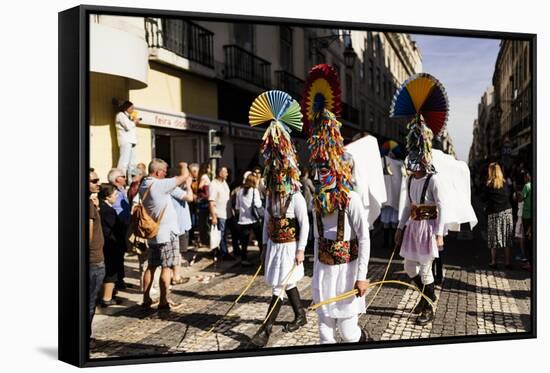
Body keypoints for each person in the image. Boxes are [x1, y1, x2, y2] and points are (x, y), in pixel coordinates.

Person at [301, 65, 371, 344]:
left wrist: (362, 277)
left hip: (347, 272)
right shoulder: (316, 200)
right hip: (324, 274)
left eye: (325, 168)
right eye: (317, 168)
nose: (320, 174)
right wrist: (315, 275)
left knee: (348, 332)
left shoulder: (350, 199)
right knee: (324, 332)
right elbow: (318, 238)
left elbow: (364, 237)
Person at [247, 90, 310, 347]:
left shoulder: (296, 197)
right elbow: (266, 223)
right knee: (286, 283)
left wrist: (301, 250)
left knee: (279, 288)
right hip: (274, 246)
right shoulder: (271, 197)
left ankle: (266, 330)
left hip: (289, 247)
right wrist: (263, 247)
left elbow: (304, 224)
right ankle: (300, 314)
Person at [394, 115, 445, 326]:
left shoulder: (433, 180)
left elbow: (442, 207)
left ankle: (428, 306)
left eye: (414, 166)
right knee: (409, 267)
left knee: (425, 270)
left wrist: (439, 233)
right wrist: (399, 227)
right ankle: (427, 297)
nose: (412, 171)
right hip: (413, 228)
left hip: (427, 229)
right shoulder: (410, 179)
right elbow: (407, 205)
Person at [139, 158, 190, 310]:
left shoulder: (144, 184)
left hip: (154, 233)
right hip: (167, 234)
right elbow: (184, 176)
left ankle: (146, 298)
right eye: (165, 171)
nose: (166, 174)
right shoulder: (159, 185)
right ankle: (163, 301)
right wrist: (183, 164)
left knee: (152, 266)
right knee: (166, 267)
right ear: (158, 172)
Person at [482, 162, 513, 269]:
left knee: (493, 239)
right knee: (507, 238)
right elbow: (509, 195)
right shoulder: (505, 183)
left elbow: (483, 198)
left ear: (490, 172)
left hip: (494, 213)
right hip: (507, 212)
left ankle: (494, 262)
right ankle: (508, 262)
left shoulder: (489, 184)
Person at [98, 184, 125, 307]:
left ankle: (106, 295)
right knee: (111, 272)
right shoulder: (107, 210)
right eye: (114, 194)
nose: (117, 196)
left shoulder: (103, 207)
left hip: (109, 243)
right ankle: (107, 298)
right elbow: (115, 227)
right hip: (111, 245)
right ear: (107, 197)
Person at [107, 168, 131, 290]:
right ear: (117, 179)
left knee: (121, 255)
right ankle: (117, 281)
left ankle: (120, 279)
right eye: (123, 176)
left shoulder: (122, 190)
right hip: (117, 228)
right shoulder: (112, 191)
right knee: (117, 256)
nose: (125, 178)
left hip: (124, 227)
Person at [88, 169, 105, 339]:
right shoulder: (87, 205)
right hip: (93, 260)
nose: (98, 183)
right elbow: (88, 234)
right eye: (94, 181)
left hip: (94, 259)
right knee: (90, 303)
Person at [171, 162, 194, 284]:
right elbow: (191, 198)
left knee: (179, 252)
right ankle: (175, 276)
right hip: (177, 226)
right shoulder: (173, 189)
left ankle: (175, 275)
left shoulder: (178, 189)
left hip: (182, 225)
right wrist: (189, 186)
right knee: (176, 253)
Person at [236, 173, 264, 266]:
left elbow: (237, 206)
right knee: (259, 238)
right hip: (253, 219)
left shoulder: (240, 191)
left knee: (244, 241)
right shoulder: (254, 191)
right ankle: (262, 257)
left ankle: (243, 258)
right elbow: (258, 204)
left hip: (242, 219)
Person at [208, 166, 233, 260]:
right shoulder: (213, 184)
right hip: (219, 214)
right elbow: (211, 201)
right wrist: (214, 216)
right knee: (221, 235)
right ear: (220, 173)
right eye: (225, 172)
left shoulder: (224, 183)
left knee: (224, 234)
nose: (227, 174)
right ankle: (224, 253)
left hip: (227, 213)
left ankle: (222, 251)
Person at [115, 101, 139, 178]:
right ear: (126, 107)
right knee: (124, 162)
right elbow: (128, 127)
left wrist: (133, 121)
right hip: (125, 141)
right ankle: (120, 178)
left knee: (133, 163)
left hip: (132, 141)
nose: (133, 109)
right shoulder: (120, 115)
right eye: (131, 107)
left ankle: (132, 181)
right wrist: (134, 122)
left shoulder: (129, 116)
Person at [518, 170, 532, 270]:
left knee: (527, 239)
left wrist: (518, 194)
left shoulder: (527, 186)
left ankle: (528, 262)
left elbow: (521, 199)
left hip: (527, 215)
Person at [300, 166, 315, 258]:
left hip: (303, 206)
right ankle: (310, 242)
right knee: (310, 225)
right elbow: (314, 190)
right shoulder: (307, 181)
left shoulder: (299, 181)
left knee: (304, 224)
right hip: (309, 205)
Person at [196, 163, 211, 248]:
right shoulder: (204, 176)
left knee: (204, 222)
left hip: (204, 201)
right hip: (204, 201)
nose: (210, 170)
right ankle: (204, 240)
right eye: (209, 168)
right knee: (205, 222)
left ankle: (203, 240)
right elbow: (200, 186)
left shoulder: (203, 176)